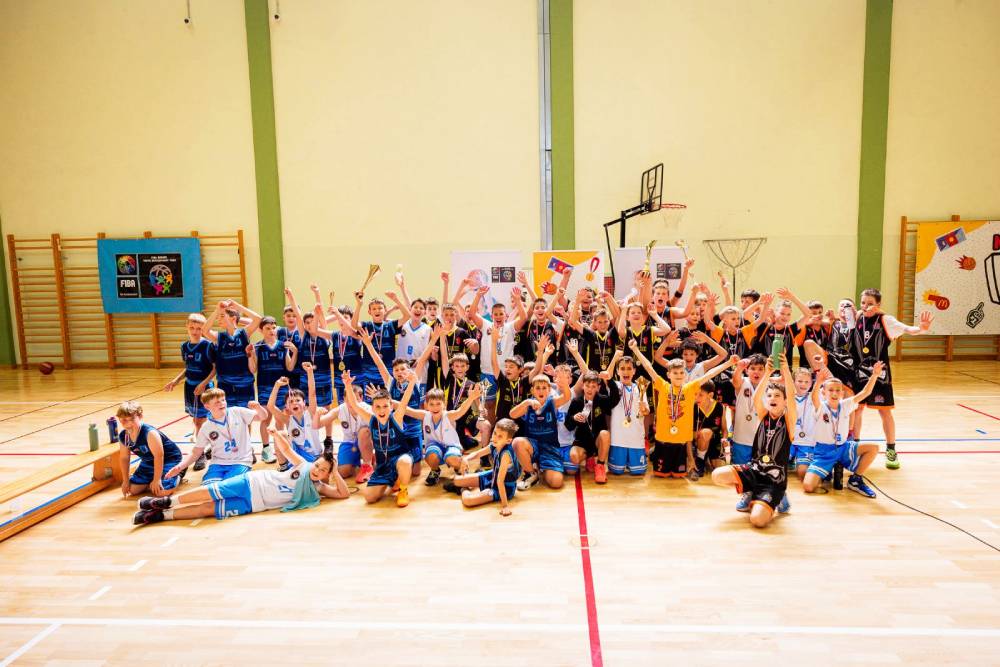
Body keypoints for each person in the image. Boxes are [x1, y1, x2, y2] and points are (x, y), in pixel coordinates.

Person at [132, 427, 349, 525]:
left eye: (322, 470)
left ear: (326, 474)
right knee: (209, 492)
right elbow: (287, 450)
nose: (317, 470)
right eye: (318, 465)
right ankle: (167, 502)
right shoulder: (304, 465)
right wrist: (276, 435)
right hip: (252, 483)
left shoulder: (318, 488)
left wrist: (335, 471)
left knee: (208, 510)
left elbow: (343, 494)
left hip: (253, 504)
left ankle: (162, 516)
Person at [629, 339, 736, 479]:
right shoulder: (663, 385)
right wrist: (635, 350)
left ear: (685, 375)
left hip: (681, 443)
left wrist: (728, 363)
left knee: (678, 476)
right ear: (668, 375)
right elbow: (649, 367)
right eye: (675, 373)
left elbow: (709, 374)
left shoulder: (689, 388)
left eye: (681, 373)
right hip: (663, 440)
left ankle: (691, 461)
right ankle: (655, 453)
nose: (679, 376)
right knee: (662, 475)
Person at [852, 288, 933, 470]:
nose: (865, 306)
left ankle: (891, 449)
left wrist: (921, 329)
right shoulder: (857, 317)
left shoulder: (886, 320)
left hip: (880, 374)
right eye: (863, 302)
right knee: (857, 410)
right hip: (859, 373)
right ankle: (854, 448)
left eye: (870, 303)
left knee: (885, 412)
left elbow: (908, 329)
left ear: (878, 304)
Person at [711, 357, 795, 528]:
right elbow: (757, 398)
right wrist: (768, 373)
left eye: (777, 396)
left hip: (774, 480)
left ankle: (777, 497)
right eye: (769, 395)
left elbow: (792, 397)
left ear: (785, 401)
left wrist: (785, 370)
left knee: (757, 520)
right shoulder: (763, 415)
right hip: (755, 470)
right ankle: (751, 490)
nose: (772, 398)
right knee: (717, 475)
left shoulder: (789, 421)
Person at [802, 362, 885, 498]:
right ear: (824, 392)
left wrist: (875, 375)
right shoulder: (821, 407)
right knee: (808, 486)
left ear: (842, 393)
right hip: (824, 452)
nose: (834, 393)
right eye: (830, 390)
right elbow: (813, 397)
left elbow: (866, 392)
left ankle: (855, 480)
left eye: (837, 390)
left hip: (843, 447)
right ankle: (828, 469)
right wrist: (818, 382)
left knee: (873, 448)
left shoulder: (846, 404)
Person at [343, 368, 419, 508]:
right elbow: (355, 405)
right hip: (383, 465)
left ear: (391, 407)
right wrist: (348, 385)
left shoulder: (396, 417)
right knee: (369, 497)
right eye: (377, 407)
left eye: (385, 406)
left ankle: (403, 489)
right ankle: (392, 480)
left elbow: (404, 401)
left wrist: (412, 381)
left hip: (399, 459)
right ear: (372, 408)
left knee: (405, 461)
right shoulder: (371, 419)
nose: (381, 410)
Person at [166, 388, 267, 484]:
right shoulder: (206, 427)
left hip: (241, 461)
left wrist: (258, 408)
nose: (222, 403)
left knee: (228, 486)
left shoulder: (237, 412)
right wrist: (180, 467)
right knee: (209, 488)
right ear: (207, 406)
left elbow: (263, 417)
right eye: (217, 402)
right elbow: (196, 452)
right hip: (218, 463)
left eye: (223, 400)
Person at [163, 312, 216, 470]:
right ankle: (210, 447)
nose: (195, 331)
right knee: (197, 420)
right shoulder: (184, 347)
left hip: (204, 388)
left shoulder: (208, 345)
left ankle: (200, 455)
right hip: (190, 387)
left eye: (199, 328)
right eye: (192, 328)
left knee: (200, 421)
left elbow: (215, 368)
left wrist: (204, 384)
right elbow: (188, 368)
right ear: (187, 327)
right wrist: (176, 380)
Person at [405, 385, 482, 486]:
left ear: (444, 404)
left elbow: (460, 411)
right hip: (435, 447)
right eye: (431, 404)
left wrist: (471, 398)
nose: (435, 407)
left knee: (451, 458)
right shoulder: (425, 415)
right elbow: (407, 410)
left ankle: (459, 466)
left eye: (438, 404)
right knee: (431, 455)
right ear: (426, 405)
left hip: (451, 447)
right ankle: (435, 470)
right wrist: (390, 403)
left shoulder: (448, 415)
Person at [443, 418, 520, 516]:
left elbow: (500, 481)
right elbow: (477, 454)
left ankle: (462, 488)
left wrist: (505, 506)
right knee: (456, 480)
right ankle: (466, 483)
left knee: (468, 500)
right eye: (495, 433)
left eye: (500, 436)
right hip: (493, 476)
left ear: (508, 441)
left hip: (503, 487)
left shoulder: (506, 454)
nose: (495, 437)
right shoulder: (494, 445)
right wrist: (466, 459)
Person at [510, 372, 573, 490]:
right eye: (537, 388)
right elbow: (512, 414)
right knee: (517, 442)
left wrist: (565, 384)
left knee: (556, 482)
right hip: (532, 446)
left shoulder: (552, 402)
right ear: (532, 391)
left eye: (544, 388)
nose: (541, 391)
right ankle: (531, 473)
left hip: (550, 448)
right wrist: (526, 402)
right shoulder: (528, 404)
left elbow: (567, 397)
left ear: (549, 390)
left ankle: (541, 467)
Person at [247, 315, 296, 463]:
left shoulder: (283, 346)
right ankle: (266, 448)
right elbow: (253, 369)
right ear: (261, 330)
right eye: (268, 328)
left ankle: (281, 448)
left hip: (281, 388)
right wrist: (250, 355)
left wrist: (295, 352)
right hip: (265, 387)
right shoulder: (257, 347)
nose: (271, 331)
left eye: (274, 328)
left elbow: (289, 367)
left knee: (280, 418)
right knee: (266, 418)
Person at [117, 401, 184, 498]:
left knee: (161, 492)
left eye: (130, 419)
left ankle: (179, 472)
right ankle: (153, 478)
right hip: (149, 461)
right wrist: (125, 480)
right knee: (132, 490)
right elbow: (124, 458)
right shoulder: (124, 436)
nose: (126, 423)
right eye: (122, 420)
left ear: (140, 416)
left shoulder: (149, 433)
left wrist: (157, 480)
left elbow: (159, 456)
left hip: (169, 459)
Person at [202, 299, 262, 408]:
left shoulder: (244, 333)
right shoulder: (219, 337)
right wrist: (217, 310)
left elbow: (258, 319)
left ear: (233, 318)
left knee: (246, 414)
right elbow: (205, 330)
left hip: (245, 383)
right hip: (225, 384)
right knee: (228, 414)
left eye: (222, 316)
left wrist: (238, 306)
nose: (218, 319)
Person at [565, 371, 621, 484]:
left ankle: (600, 466)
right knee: (574, 457)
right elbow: (568, 426)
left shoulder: (602, 400)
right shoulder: (576, 402)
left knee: (605, 434)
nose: (590, 389)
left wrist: (610, 380)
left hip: (597, 440)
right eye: (587, 386)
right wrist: (574, 418)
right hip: (582, 441)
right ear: (582, 386)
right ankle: (590, 457)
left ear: (598, 388)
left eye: (593, 386)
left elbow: (615, 399)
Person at [607, 356, 650, 477]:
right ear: (617, 371)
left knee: (638, 472)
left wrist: (644, 409)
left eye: (629, 368)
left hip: (635, 438)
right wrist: (615, 357)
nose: (626, 372)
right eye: (622, 368)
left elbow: (647, 411)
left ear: (634, 371)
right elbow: (607, 375)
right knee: (616, 471)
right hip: (618, 439)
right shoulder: (614, 386)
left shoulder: (640, 387)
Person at [333, 382, 374, 483]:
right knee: (343, 472)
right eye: (349, 399)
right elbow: (320, 423)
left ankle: (367, 465)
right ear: (344, 399)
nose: (352, 403)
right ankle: (357, 460)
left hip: (368, 442)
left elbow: (383, 424)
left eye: (355, 399)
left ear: (361, 398)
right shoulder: (341, 409)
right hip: (349, 443)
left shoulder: (368, 409)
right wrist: (317, 415)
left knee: (364, 432)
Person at [692, 379, 727, 478]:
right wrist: (699, 434)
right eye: (695, 394)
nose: (697, 397)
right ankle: (700, 458)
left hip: (714, 441)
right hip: (697, 440)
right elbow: (688, 431)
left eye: (700, 395)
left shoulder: (720, 407)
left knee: (719, 469)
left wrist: (725, 439)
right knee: (706, 432)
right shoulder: (693, 406)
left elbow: (724, 429)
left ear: (710, 395)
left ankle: (705, 457)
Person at [789, 367, 817, 480]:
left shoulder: (815, 397)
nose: (803, 384)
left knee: (803, 473)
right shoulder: (787, 396)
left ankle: (799, 461)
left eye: (807, 382)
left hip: (806, 442)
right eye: (800, 381)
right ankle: (791, 459)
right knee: (776, 468)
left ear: (811, 383)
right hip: (789, 441)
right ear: (793, 382)